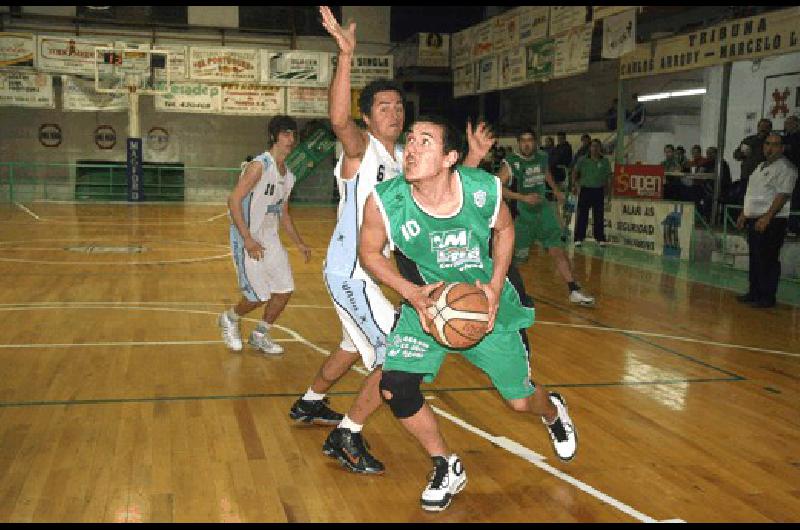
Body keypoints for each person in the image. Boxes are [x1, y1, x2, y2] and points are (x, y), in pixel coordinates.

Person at [290, 5, 494, 476]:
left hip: (378, 277)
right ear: (367, 118)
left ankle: (309, 402)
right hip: (352, 274)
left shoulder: (407, 157)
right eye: (383, 107)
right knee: (394, 358)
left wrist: (475, 162)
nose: (395, 112)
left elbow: (443, 192)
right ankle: (347, 434)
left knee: (351, 344)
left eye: (399, 106)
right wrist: (346, 55)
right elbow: (338, 117)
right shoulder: (361, 151)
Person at [359, 116, 578, 512]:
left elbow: (505, 231)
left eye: (425, 142)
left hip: (481, 308)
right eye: (409, 140)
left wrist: (495, 285)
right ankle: (446, 464)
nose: (411, 148)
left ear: (450, 158)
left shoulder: (483, 190)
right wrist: (410, 293)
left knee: (519, 401)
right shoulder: (384, 200)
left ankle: (552, 410)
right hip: (424, 304)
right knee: (395, 387)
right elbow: (369, 253)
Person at [218, 115, 312, 356]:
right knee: (258, 295)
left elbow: (284, 213)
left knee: (284, 290)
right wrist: (247, 239)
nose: (291, 139)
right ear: (274, 137)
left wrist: (299, 243)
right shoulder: (260, 165)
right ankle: (230, 318)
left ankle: (260, 334)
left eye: (293, 134)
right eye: (286, 134)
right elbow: (233, 200)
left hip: (270, 238)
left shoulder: (288, 176)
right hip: (247, 236)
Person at [498, 129, 596, 306]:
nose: (527, 144)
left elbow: (546, 174)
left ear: (535, 142)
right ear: (518, 143)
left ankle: (573, 289)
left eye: (530, 140)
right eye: (523, 140)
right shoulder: (511, 162)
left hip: (543, 212)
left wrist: (557, 190)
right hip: (522, 215)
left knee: (557, 249)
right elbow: (497, 187)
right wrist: (522, 197)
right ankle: (502, 290)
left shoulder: (542, 157)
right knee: (516, 259)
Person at [735, 133, 797, 308]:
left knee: (768, 258)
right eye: (767, 144)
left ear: (782, 148)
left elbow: (782, 195)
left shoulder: (786, 168)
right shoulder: (760, 166)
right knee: (755, 257)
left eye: (775, 144)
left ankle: (767, 296)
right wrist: (744, 213)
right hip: (754, 218)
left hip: (773, 220)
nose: (770, 147)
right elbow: (753, 193)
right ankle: (754, 292)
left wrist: (768, 217)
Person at [572, 139, 612, 246]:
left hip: (598, 191)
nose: (595, 148)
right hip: (585, 190)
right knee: (582, 216)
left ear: (600, 148)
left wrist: (608, 192)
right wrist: (575, 185)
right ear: (590, 148)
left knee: (599, 215)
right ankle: (578, 238)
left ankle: (600, 238)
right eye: (593, 146)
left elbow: (608, 177)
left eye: (597, 146)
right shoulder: (582, 160)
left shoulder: (605, 161)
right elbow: (575, 172)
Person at [733, 118, 772, 204]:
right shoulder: (749, 140)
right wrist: (742, 154)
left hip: (764, 178)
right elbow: (736, 155)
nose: (763, 129)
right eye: (761, 126)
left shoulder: (773, 141)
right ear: (757, 127)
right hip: (747, 176)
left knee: (760, 202)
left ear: (770, 129)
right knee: (744, 201)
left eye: (766, 127)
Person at [782, 116, 799, 233]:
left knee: (796, 199)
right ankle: (785, 225)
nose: (787, 125)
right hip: (784, 173)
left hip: (797, 172)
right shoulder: (784, 138)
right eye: (786, 123)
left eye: (789, 123)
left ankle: (794, 226)